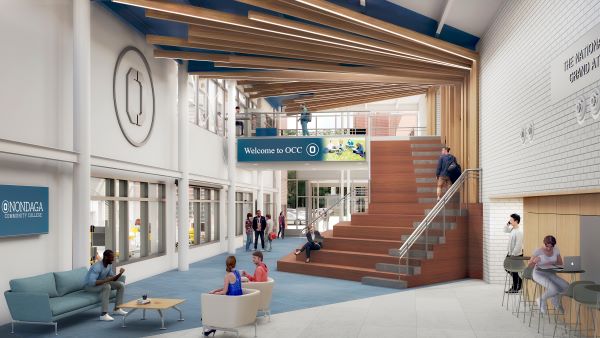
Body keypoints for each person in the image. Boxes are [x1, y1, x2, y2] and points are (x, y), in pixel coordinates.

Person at [528, 235, 568, 314]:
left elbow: (560, 263)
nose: (549, 248)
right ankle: (541, 299)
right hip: (538, 273)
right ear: (544, 244)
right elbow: (529, 266)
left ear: (554, 245)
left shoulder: (556, 250)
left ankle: (554, 298)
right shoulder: (538, 251)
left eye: (551, 247)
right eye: (547, 246)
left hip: (550, 273)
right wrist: (534, 261)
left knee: (566, 286)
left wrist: (552, 262)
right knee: (554, 289)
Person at [84, 249, 127, 321]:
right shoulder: (97, 267)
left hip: (101, 283)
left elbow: (113, 279)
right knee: (107, 286)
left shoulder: (108, 265)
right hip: (89, 286)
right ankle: (103, 314)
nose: (113, 259)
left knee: (121, 285)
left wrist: (120, 273)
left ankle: (117, 308)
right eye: (111, 257)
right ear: (106, 257)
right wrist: (106, 280)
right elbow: (91, 282)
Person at [205, 256, 243, 336]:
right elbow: (228, 287)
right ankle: (212, 326)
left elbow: (224, 291)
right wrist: (215, 290)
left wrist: (214, 294)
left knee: (213, 302)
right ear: (235, 264)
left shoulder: (228, 276)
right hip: (239, 299)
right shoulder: (237, 272)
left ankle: (211, 325)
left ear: (226, 264)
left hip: (231, 300)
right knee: (216, 302)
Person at [504, 213, 524, 293]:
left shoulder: (519, 231)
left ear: (516, 221)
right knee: (507, 268)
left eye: (511, 220)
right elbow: (505, 230)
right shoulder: (513, 229)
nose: (510, 221)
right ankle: (519, 282)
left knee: (514, 271)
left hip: (516, 254)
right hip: (510, 253)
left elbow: (518, 245)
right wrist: (508, 224)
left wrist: (513, 255)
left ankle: (515, 288)